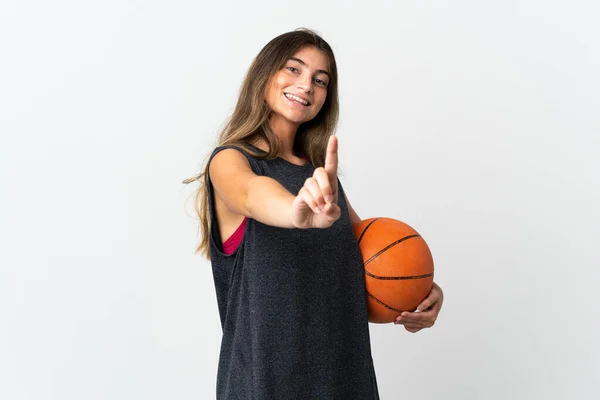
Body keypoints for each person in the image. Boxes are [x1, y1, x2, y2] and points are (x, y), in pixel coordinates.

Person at [183, 28, 444, 399]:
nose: (306, 85)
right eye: (294, 69)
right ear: (265, 74)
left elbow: (370, 271)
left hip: (345, 382)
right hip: (265, 386)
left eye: (320, 80)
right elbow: (252, 194)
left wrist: (418, 294)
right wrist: (295, 212)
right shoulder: (231, 161)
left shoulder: (322, 180)